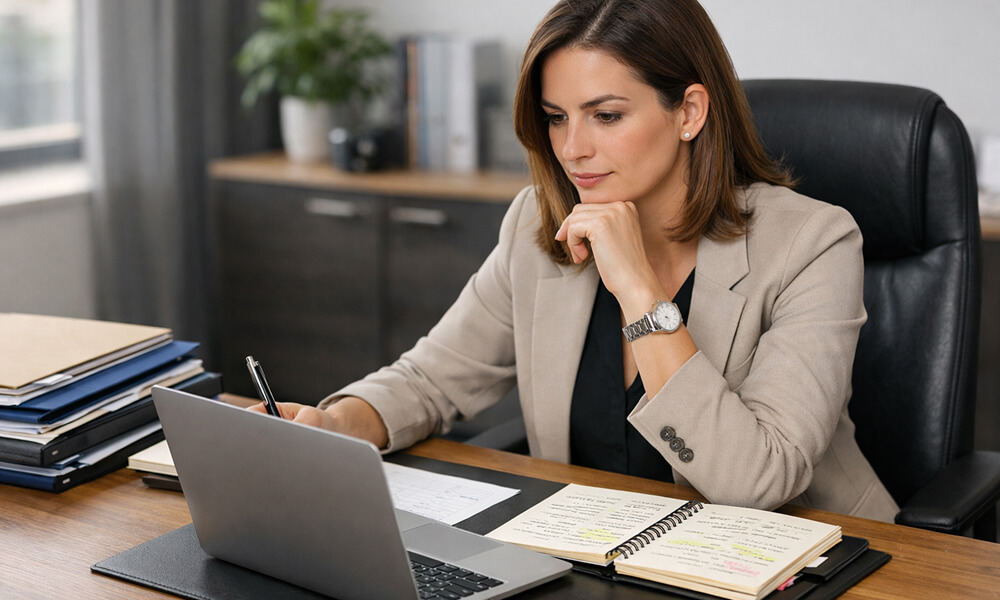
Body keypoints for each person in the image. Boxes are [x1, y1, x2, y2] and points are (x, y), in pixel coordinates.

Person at [251, 0, 899, 522]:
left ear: (690, 112)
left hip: (803, 560)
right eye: (556, 118)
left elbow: (759, 480)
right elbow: (432, 379)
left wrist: (639, 293)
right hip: (600, 554)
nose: (573, 148)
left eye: (606, 115)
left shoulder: (813, 242)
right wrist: (339, 424)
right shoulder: (540, 221)